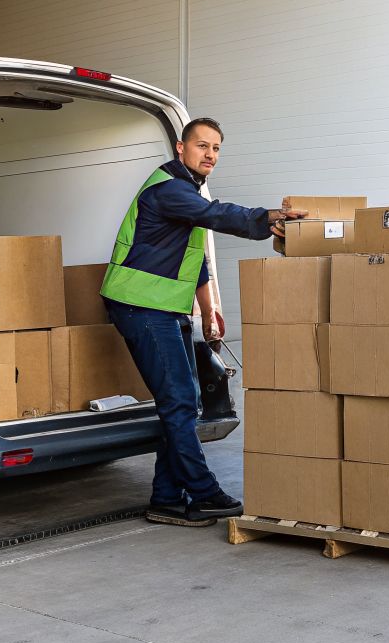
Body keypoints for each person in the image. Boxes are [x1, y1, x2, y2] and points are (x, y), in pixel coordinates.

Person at [100, 117, 305, 526]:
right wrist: (267, 218)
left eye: (216, 149)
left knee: (182, 401)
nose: (210, 154)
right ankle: (203, 491)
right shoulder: (169, 189)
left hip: (165, 305)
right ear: (180, 148)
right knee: (179, 400)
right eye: (202, 146)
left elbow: (195, 261)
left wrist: (208, 310)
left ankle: (166, 498)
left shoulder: (188, 190)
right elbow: (220, 216)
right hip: (140, 304)